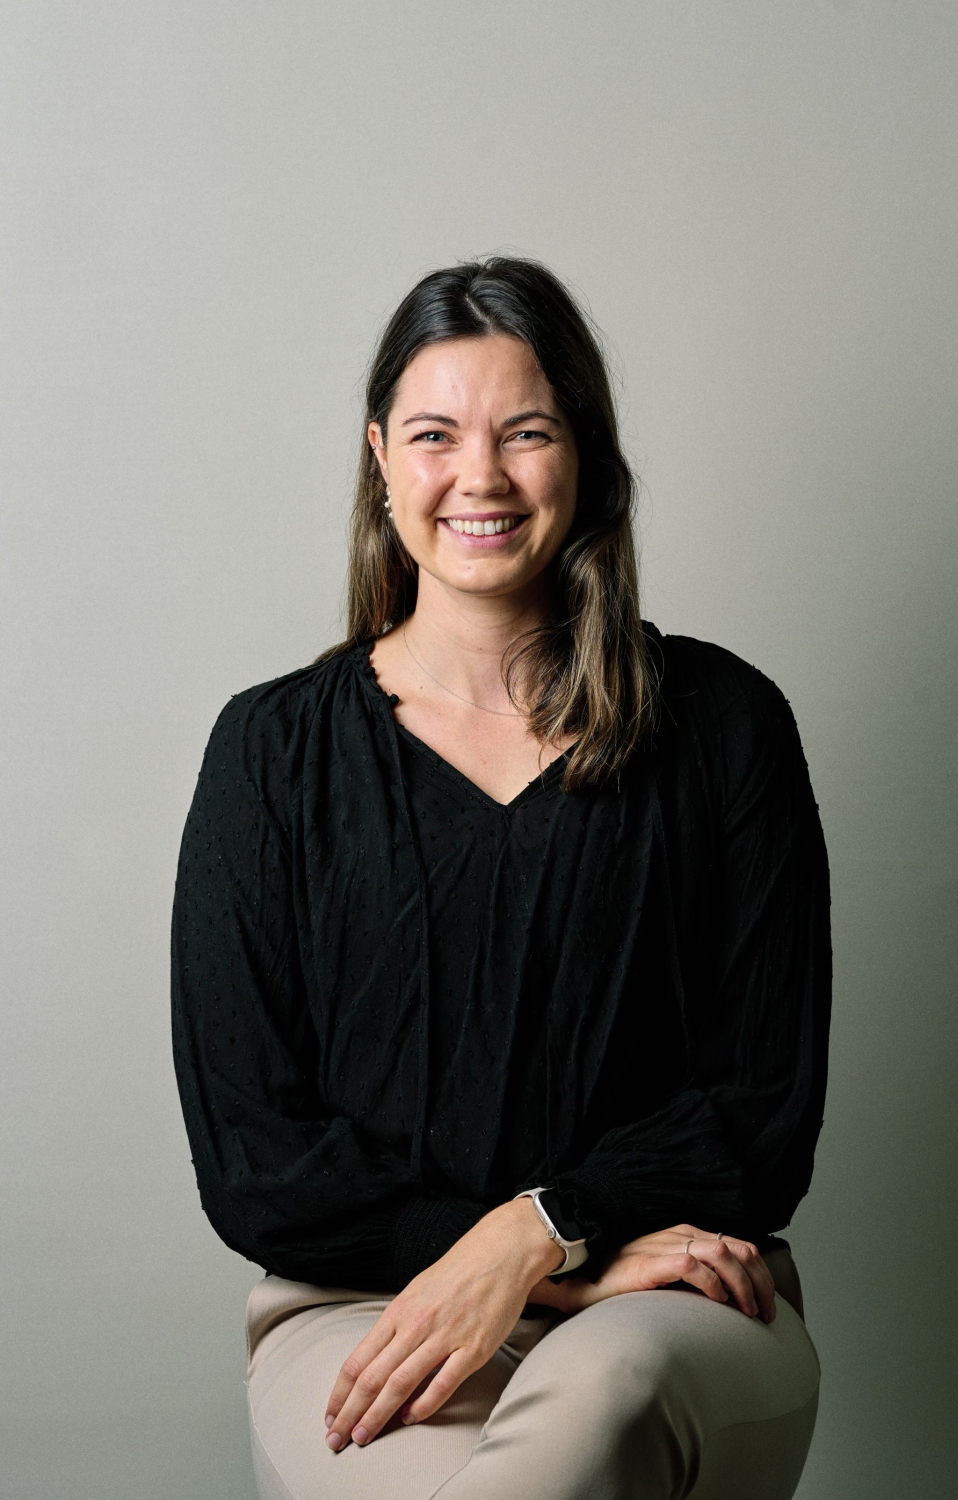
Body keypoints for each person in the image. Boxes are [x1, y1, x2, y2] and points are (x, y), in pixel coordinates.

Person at [171, 256, 831, 1500]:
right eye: (434, 435)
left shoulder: (725, 726)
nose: (479, 476)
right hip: (363, 1306)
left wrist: (540, 1231)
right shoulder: (270, 753)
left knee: (600, 1400)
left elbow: (760, 1113)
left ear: (586, 456)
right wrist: (513, 1263)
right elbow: (254, 1154)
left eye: (525, 432)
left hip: (673, 1297)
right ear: (380, 458)